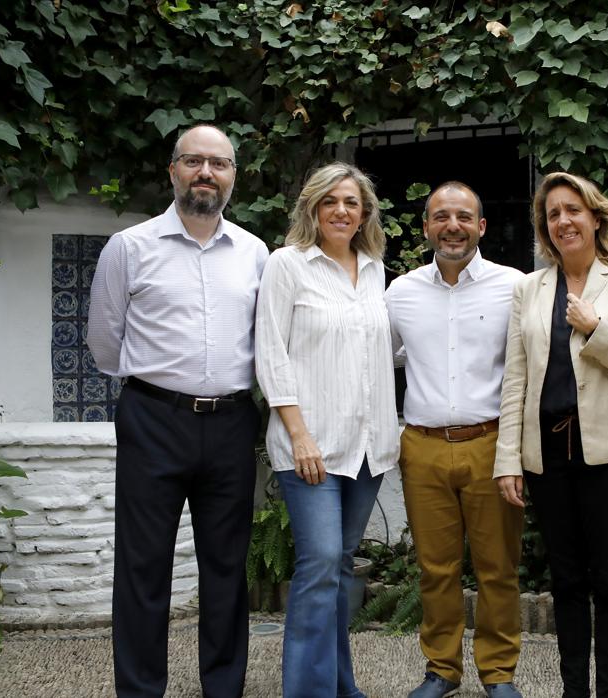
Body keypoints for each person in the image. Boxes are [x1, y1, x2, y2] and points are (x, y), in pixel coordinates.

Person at [86, 124, 268, 698]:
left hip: (234, 423)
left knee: (226, 568)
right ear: (173, 171)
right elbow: (105, 343)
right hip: (153, 419)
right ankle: (140, 690)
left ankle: (223, 687)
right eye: (194, 161)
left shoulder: (255, 253)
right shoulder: (129, 247)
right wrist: (161, 388)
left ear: (233, 176)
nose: (206, 173)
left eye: (219, 164)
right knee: (143, 568)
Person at [494, 172, 608, 698]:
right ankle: (573, 692)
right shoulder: (529, 288)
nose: (563, 221)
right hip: (548, 450)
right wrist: (507, 459)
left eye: (573, 210)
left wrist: (594, 327)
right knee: (565, 580)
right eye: (553, 213)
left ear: (595, 217)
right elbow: (516, 376)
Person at [254, 162, 398, 698]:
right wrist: (298, 434)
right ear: (313, 207)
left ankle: (341, 684)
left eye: (352, 202)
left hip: (368, 449)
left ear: (365, 214)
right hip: (309, 448)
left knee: (338, 567)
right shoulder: (286, 265)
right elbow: (271, 353)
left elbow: (379, 351)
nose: (342, 210)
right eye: (331, 201)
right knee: (318, 566)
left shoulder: (376, 268)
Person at [385, 182, 526, 698]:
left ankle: (498, 673)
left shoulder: (514, 286)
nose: (452, 226)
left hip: (491, 444)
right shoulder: (399, 292)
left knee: (498, 568)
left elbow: (526, 370)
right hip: (421, 445)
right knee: (435, 569)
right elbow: (379, 359)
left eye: (464, 216)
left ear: (481, 226)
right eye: (441, 216)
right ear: (426, 228)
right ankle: (442, 669)